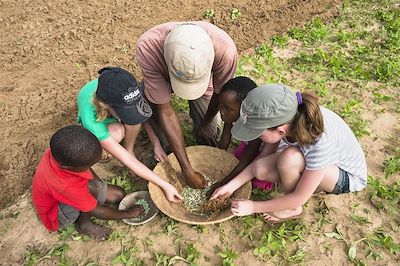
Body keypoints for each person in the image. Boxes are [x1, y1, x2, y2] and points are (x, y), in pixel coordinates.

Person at [210, 84, 367, 223]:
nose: (255, 137)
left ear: (280, 131)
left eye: (256, 132)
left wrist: (254, 206)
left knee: (289, 158)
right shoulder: (287, 116)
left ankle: (293, 209)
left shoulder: (320, 143)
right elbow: (258, 164)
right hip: (315, 165)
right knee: (260, 169)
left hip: (345, 176)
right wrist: (231, 186)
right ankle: (302, 186)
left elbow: (299, 197)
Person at [136, 21, 237, 188]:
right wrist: (187, 171)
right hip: (162, 78)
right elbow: (166, 111)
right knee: (165, 144)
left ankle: (203, 129)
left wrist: (205, 123)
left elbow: (221, 97)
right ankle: (168, 149)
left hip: (205, 84)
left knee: (209, 134)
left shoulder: (225, 51)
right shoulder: (149, 47)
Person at [77, 67, 183, 203]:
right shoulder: (92, 122)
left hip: (113, 107)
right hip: (101, 119)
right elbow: (127, 160)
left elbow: (140, 116)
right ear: (106, 105)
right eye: (127, 111)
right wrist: (164, 185)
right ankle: (114, 148)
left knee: (132, 120)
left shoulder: (127, 89)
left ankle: (129, 147)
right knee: (117, 132)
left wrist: (156, 142)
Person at [32, 125, 144, 239]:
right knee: (92, 192)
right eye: (88, 165)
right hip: (55, 215)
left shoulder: (62, 150)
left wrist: (99, 185)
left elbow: (86, 171)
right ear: (68, 167)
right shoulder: (66, 186)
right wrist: (128, 213)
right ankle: (84, 224)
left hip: (65, 192)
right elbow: (98, 212)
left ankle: (91, 198)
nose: (90, 167)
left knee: (118, 194)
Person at [209, 76, 272, 194]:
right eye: (221, 105)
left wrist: (222, 183)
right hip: (248, 143)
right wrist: (219, 157)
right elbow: (226, 132)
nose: (222, 112)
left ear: (245, 108)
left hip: (264, 151)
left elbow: (246, 160)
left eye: (227, 108)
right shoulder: (230, 113)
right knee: (236, 156)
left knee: (254, 178)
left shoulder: (256, 124)